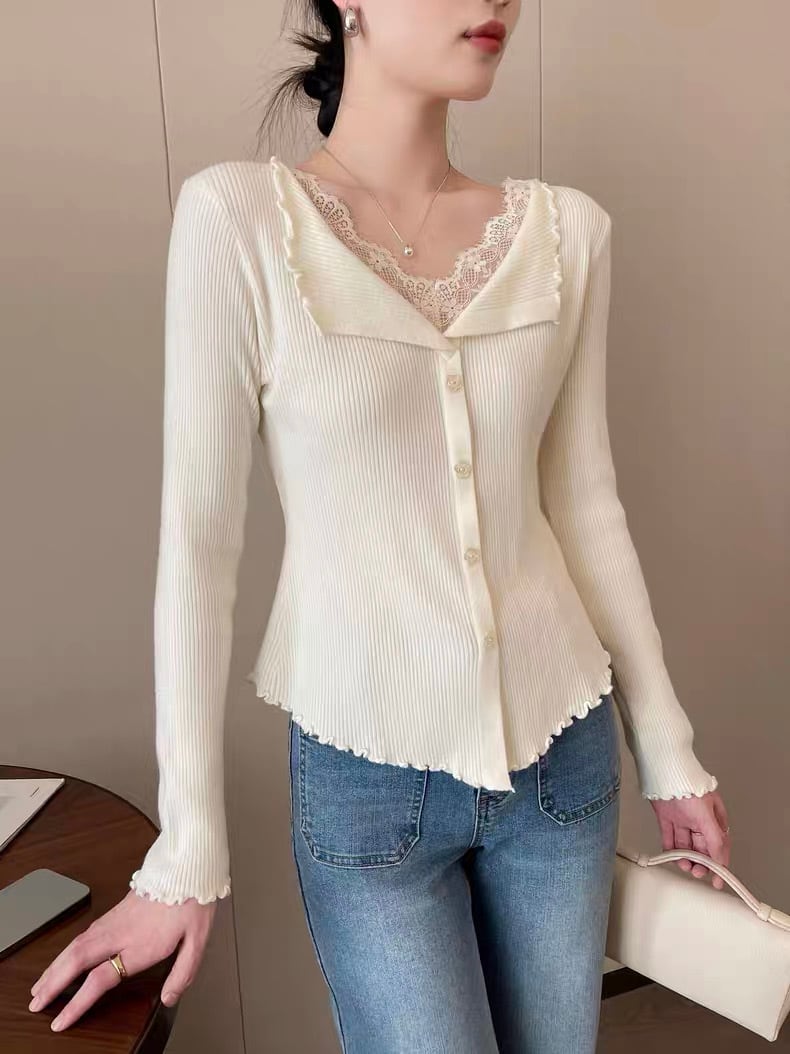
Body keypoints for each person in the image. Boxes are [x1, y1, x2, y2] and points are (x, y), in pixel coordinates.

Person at [27, 0, 731, 1047]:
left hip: (562, 763)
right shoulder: (238, 220)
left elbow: (585, 504)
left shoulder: (566, 233)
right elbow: (199, 549)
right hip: (366, 779)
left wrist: (669, 752)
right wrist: (185, 856)